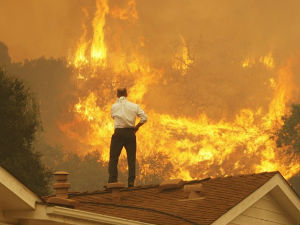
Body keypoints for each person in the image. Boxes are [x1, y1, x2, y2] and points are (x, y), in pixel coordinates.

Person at [108, 88, 148, 187]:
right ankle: (131, 182)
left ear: (117, 95)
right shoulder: (134, 106)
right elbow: (144, 118)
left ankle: (112, 181)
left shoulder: (114, 107)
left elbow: (113, 116)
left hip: (118, 133)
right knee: (131, 158)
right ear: (126, 94)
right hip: (130, 133)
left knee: (113, 158)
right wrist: (137, 127)